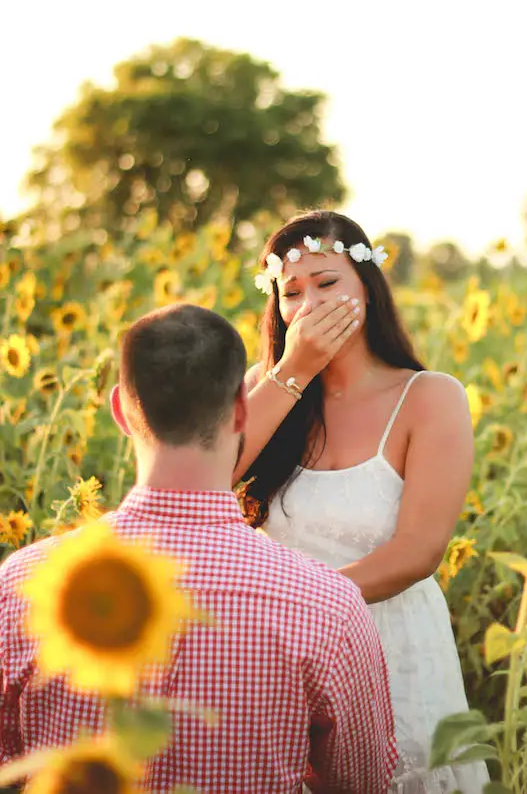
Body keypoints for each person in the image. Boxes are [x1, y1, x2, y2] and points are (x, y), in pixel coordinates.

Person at [0, 304, 398, 794]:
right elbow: (362, 783)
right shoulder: (326, 605)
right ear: (241, 410)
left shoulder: (22, 585)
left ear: (121, 410)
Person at [235, 211, 490, 794]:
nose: (309, 305)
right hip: (280, 658)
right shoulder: (265, 388)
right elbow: (208, 480)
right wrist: (292, 371)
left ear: (367, 290)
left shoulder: (429, 397)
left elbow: (418, 551)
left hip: (385, 649)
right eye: (291, 293)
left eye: (328, 283)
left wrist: (307, 614)